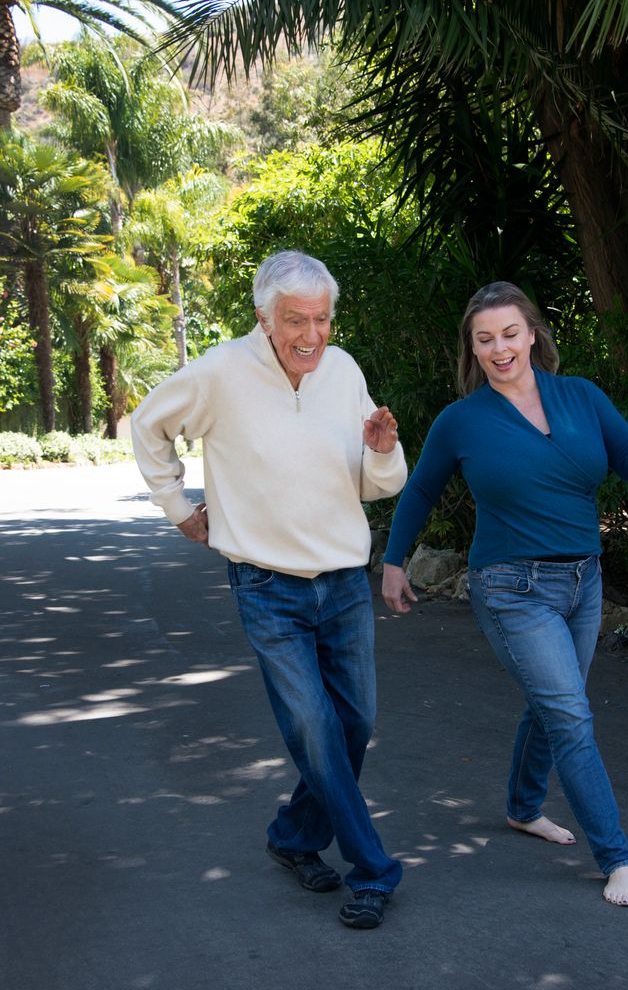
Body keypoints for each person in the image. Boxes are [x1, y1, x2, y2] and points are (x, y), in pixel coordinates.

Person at [131, 250, 406, 929]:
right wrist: (180, 510)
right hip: (266, 586)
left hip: (342, 583)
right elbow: (147, 425)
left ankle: (292, 836)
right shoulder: (221, 373)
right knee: (314, 729)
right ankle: (373, 870)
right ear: (263, 317)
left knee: (353, 726)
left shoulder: (341, 373)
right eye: (294, 321)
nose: (310, 335)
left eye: (321, 319)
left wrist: (379, 449)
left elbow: (381, 484)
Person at [382, 281, 628, 908]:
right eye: (484, 339)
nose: (499, 347)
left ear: (533, 333)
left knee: (553, 704)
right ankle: (617, 859)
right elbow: (422, 491)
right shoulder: (463, 420)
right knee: (570, 716)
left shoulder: (581, 396)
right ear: (473, 349)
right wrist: (395, 561)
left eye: (510, 333)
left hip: (583, 582)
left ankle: (520, 807)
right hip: (510, 589)